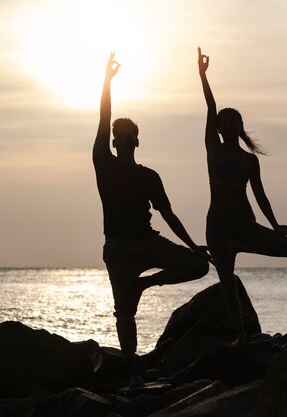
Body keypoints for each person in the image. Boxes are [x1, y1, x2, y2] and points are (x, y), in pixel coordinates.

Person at [93, 52, 210, 386]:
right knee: (124, 313)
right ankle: (132, 372)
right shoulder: (104, 162)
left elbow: (169, 214)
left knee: (198, 267)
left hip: (148, 243)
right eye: (120, 135)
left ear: (137, 141)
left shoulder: (149, 176)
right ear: (114, 142)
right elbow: (103, 119)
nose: (124, 139)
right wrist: (106, 82)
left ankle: (144, 283)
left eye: (130, 135)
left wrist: (193, 246)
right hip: (118, 250)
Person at [197, 47, 287, 343]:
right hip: (217, 224)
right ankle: (240, 335)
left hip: (243, 223)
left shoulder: (250, 160)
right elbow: (210, 107)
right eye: (224, 122)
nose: (228, 125)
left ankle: (237, 246)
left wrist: (275, 225)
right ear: (218, 128)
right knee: (226, 282)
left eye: (233, 122)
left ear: (240, 127)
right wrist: (202, 76)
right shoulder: (212, 149)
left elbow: (261, 196)